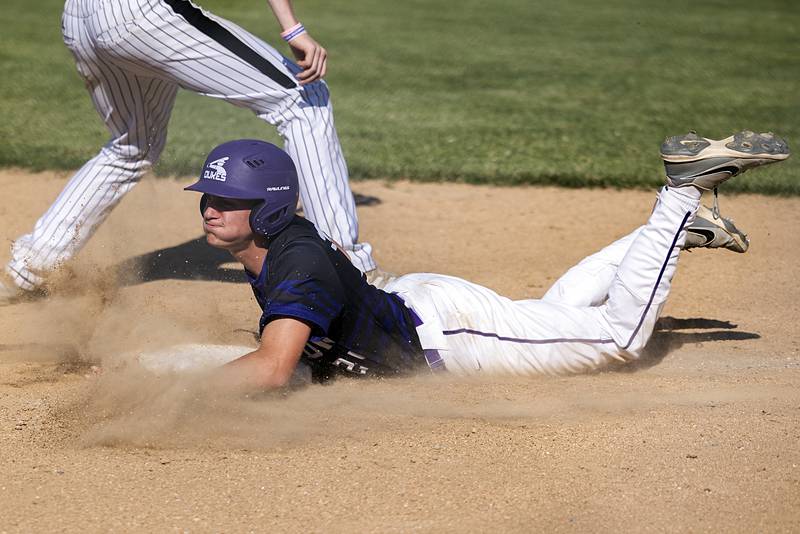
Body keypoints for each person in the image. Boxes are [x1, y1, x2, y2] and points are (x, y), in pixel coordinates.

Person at [179, 131, 789, 389]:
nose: (211, 210)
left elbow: (271, 369)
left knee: (619, 337)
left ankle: (681, 195)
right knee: (543, 319)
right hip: (425, 307)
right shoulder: (281, 248)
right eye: (209, 197)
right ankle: (671, 230)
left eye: (231, 200)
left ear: (270, 207)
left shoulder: (296, 262)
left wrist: (179, 398)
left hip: (449, 333)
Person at [0, 0, 379, 305]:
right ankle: (343, 265)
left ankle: (31, 268)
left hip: (80, 17)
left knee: (131, 147)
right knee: (303, 99)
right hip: (142, 14)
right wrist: (293, 29)